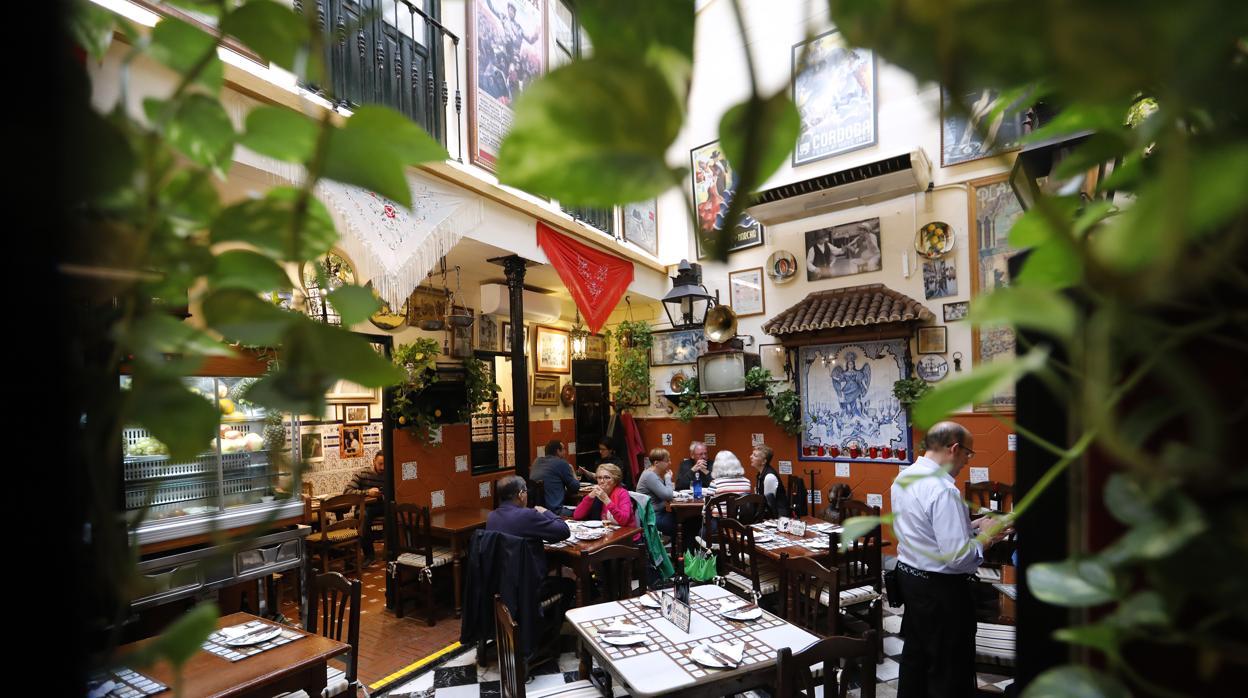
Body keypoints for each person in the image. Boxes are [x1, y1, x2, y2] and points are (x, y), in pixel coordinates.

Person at [891, 421, 1008, 698]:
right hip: (941, 592)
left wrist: (972, 525)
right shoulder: (944, 490)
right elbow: (958, 558)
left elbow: (926, 530)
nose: (968, 461)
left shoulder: (905, 477)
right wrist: (988, 537)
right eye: (969, 454)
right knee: (949, 669)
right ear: (954, 449)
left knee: (916, 659)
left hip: (910, 581)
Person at [485, 476, 574, 655]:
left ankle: (529, 627)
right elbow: (564, 531)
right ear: (521, 494)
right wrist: (546, 512)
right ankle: (543, 635)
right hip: (527, 590)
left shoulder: (492, 517)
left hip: (500, 587)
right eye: (526, 491)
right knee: (568, 585)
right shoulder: (528, 515)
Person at [345, 451, 386, 565]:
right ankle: (369, 555)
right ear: (374, 462)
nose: (383, 467)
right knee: (363, 517)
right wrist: (367, 492)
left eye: (385, 464)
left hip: (382, 506)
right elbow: (347, 492)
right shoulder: (362, 473)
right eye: (380, 464)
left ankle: (390, 551)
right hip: (365, 507)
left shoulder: (389, 474)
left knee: (396, 514)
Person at [573, 463, 638, 531]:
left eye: (607, 477)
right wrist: (590, 496)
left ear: (615, 480)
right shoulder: (598, 494)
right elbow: (577, 516)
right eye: (599, 477)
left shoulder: (622, 493)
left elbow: (623, 521)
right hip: (607, 534)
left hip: (627, 536)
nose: (602, 481)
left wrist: (606, 500)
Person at [529, 439, 579, 512]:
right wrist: (572, 470)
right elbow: (575, 487)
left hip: (535, 510)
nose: (565, 452)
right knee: (583, 512)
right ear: (558, 451)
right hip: (554, 510)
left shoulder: (536, 461)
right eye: (564, 449)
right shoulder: (561, 463)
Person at [637, 448, 676, 537]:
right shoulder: (649, 475)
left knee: (684, 520)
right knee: (684, 523)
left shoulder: (652, 474)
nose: (670, 463)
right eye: (667, 461)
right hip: (652, 517)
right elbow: (668, 496)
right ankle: (680, 550)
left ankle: (677, 550)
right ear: (656, 463)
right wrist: (668, 478)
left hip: (656, 514)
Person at [750, 445, 790, 517]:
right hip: (771, 515)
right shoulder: (761, 473)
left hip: (779, 517)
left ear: (764, 461)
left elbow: (768, 504)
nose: (751, 457)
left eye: (755, 455)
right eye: (752, 454)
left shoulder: (769, 477)